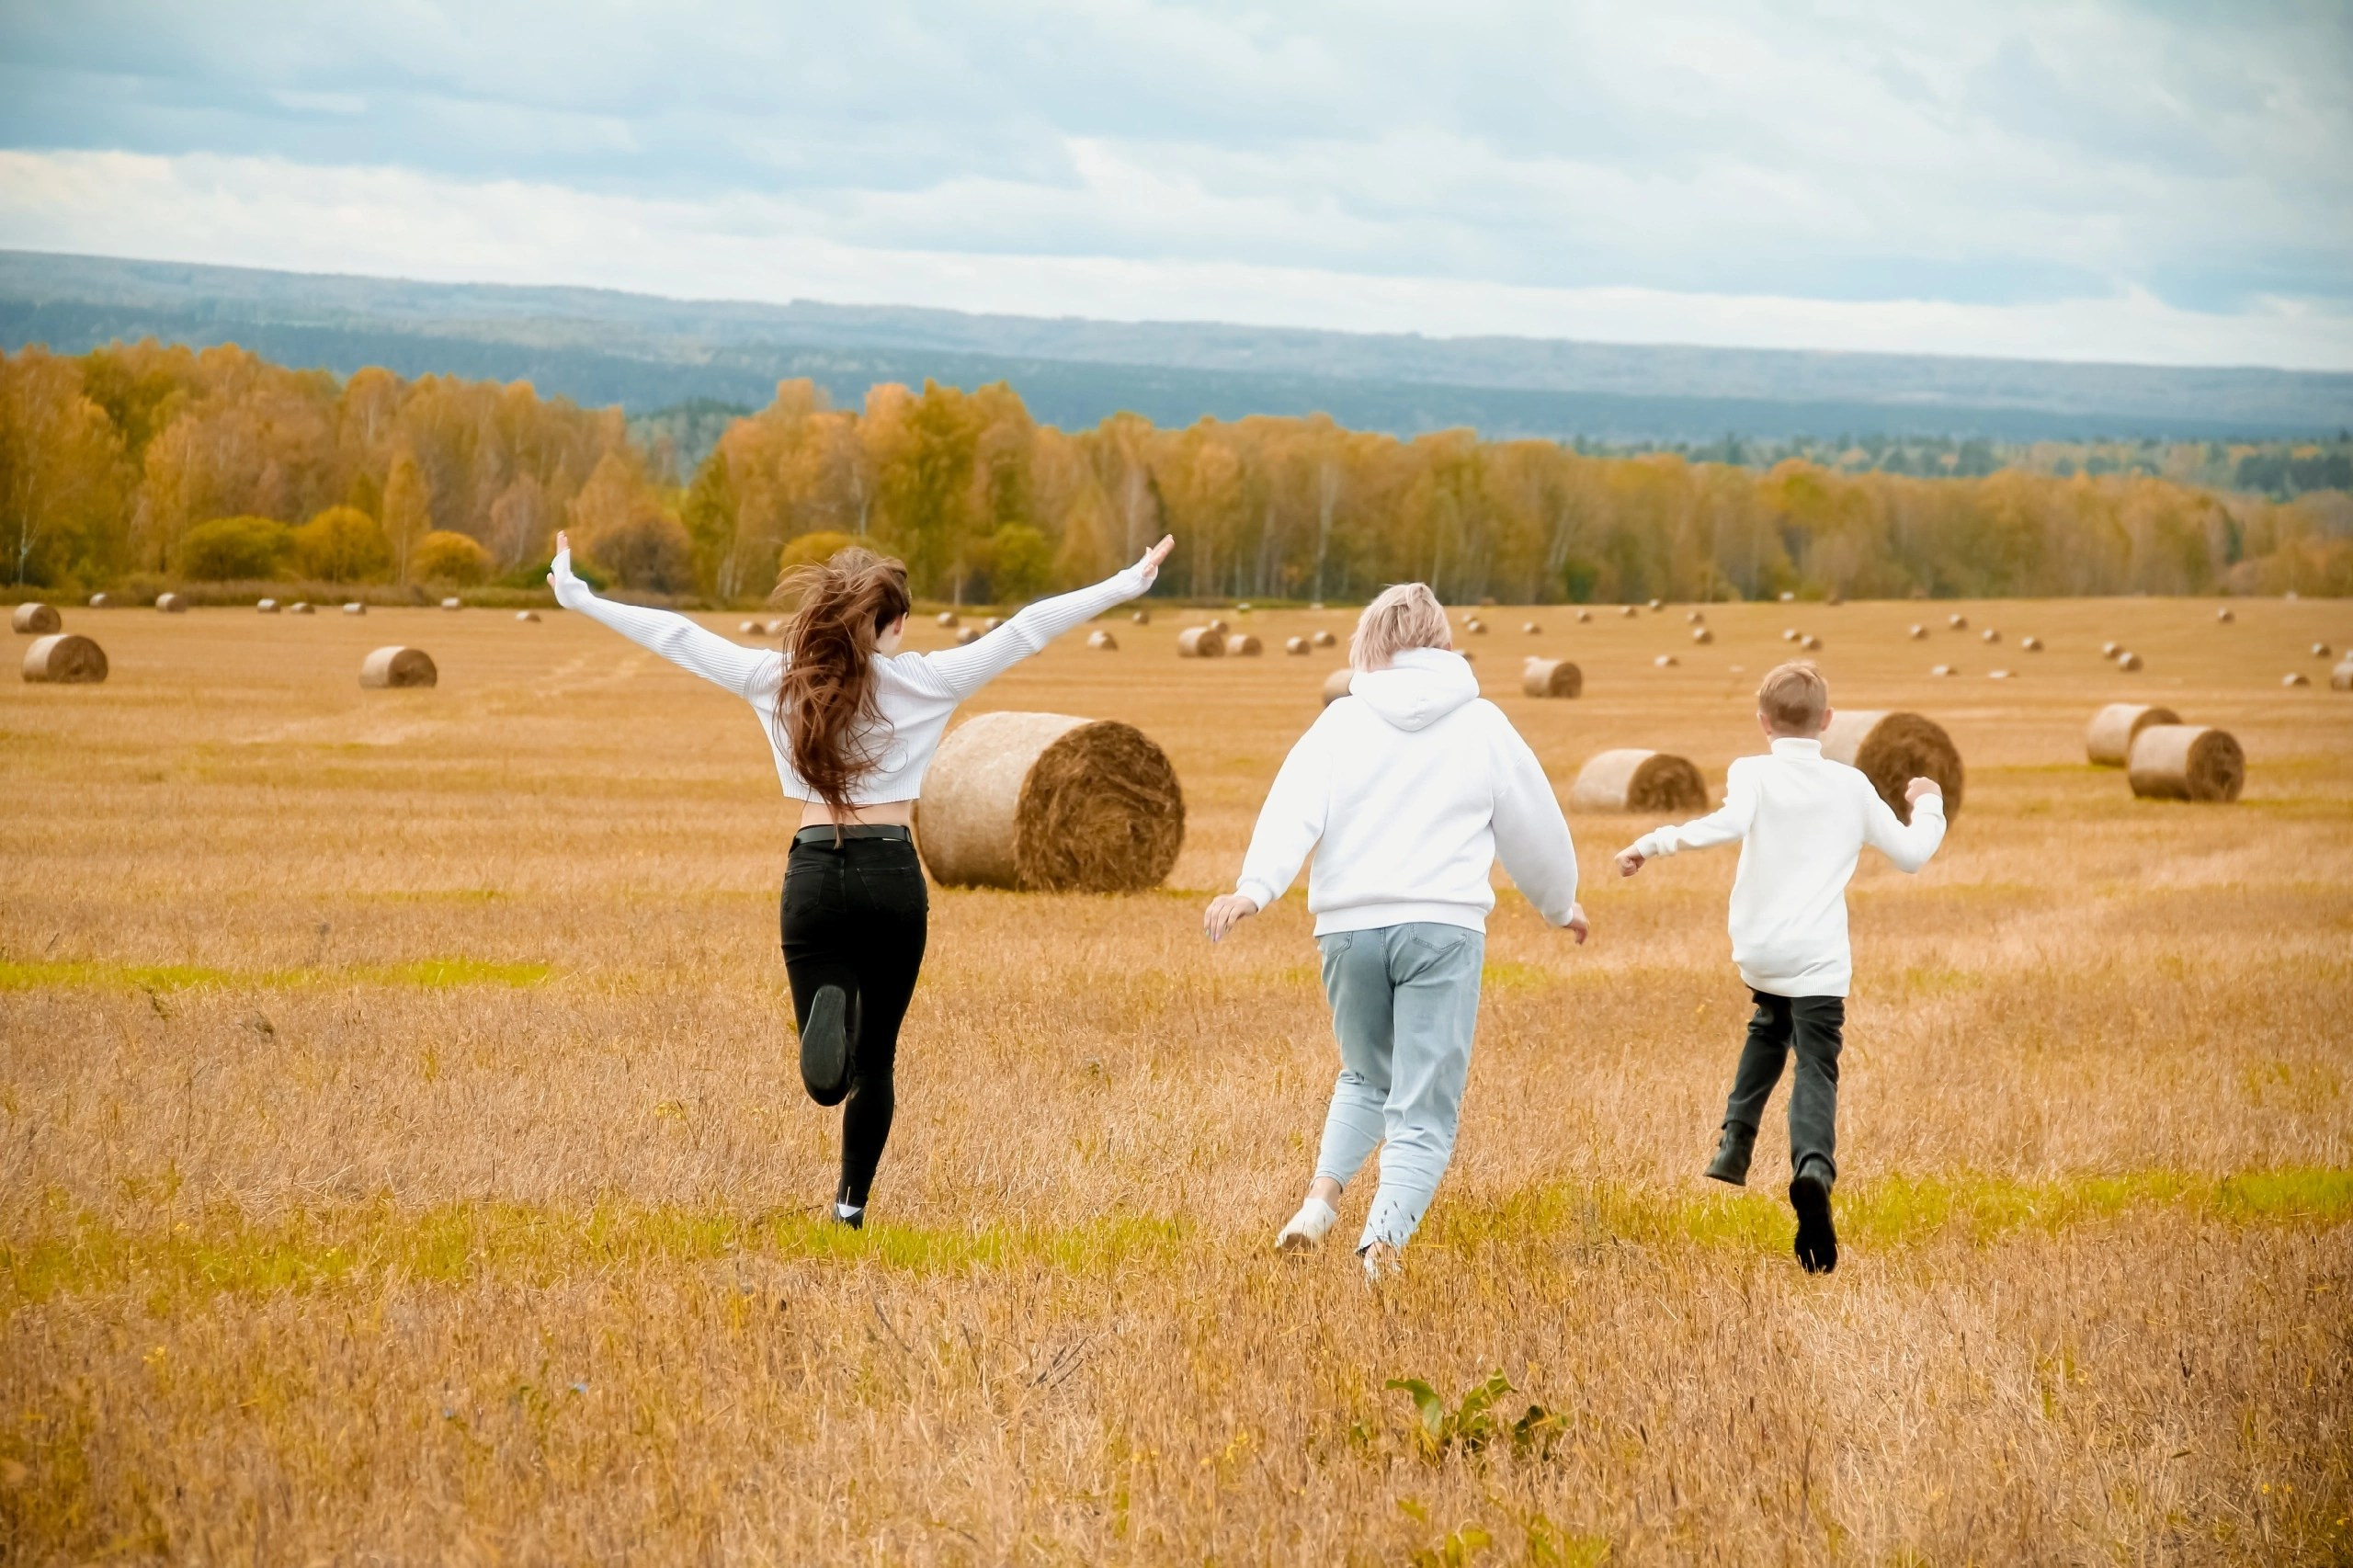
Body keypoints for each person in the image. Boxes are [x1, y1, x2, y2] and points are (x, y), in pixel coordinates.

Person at [548, 528, 1175, 1228]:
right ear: (895, 622)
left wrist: (577, 595)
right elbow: (1026, 629)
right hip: (891, 871)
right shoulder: (928, 680)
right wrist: (1124, 584)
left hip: (813, 872)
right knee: (878, 1060)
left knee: (833, 1068)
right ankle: (849, 1207)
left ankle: (826, 1057)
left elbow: (676, 635)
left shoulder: (778, 679)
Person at [1203, 583, 1587, 1281]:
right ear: (1443, 640)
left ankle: (1318, 1203)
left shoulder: (1341, 722)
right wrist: (1562, 905)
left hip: (1347, 932)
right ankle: (1381, 1248)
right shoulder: (1484, 724)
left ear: (1368, 643)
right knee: (1424, 1105)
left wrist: (1254, 888)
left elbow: (1292, 811)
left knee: (1366, 1075)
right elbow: (1534, 827)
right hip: (1442, 928)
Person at [1612, 659, 1945, 1274]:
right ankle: (1813, 1167)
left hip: (1760, 950)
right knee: (1816, 1064)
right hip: (1819, 959)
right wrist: (1929, 803)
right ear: (1829, 721)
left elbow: (1725, 825)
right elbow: (1912, 856)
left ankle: (1734, 1146)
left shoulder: (1752, 772)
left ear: (1762, 722)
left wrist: (1651, 842)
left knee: (1769, 1024)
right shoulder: (1850, 785)